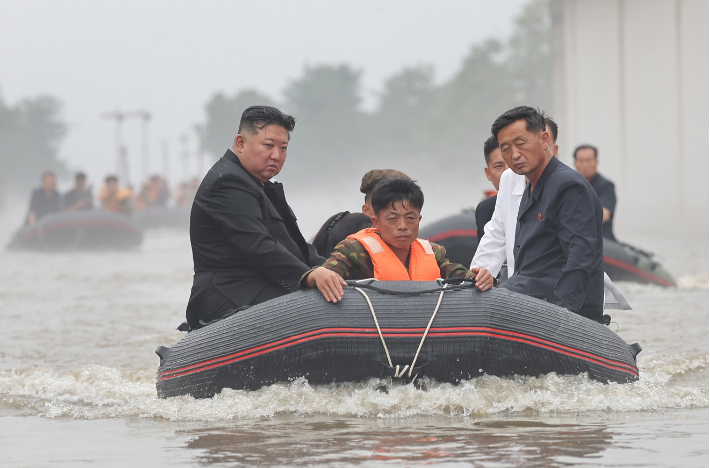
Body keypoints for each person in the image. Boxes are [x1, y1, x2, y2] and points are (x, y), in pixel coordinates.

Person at [186, 105, 325, 329]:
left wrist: (335, 269)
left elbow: (294, 245)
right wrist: (307, 276)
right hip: (227, 293)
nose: (276, 156)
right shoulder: (227, 181)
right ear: (240, 143)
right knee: (315, 312)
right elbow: (258, 245)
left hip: (259, 285)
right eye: (268, 146)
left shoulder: (258, 184)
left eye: (283, 148)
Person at [490, 106, 604, 322]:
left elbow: (581, 254)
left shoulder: (568, 186)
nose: (514, 155)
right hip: (527, 296)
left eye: (520, 143)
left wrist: (564, 309)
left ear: (544, 140)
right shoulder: (531, 187)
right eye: (505, 148)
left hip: (556, 307)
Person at [302, 178, 493, 303]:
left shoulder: (434, 253)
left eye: (410, 218)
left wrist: (481, 277)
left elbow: (462, 276)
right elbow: (324, 275)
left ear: (419, 220)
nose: (402, 226)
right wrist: (316, 274)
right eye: (392, 219)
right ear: (376, 222)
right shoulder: (354, 250)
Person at [574, 145, 617, 240]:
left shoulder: (606, 186)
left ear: (596, 162)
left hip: (602, 240)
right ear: (575, 163)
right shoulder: (569, 186)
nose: (585, 165)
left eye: (589, 160)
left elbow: (604, 214)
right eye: (581, 161)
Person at [475, 136, 509, 243]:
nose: (507, 173)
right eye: (499, 166)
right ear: (488, 174)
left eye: (512, 164)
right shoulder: (484, 210)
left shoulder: (542, 200)